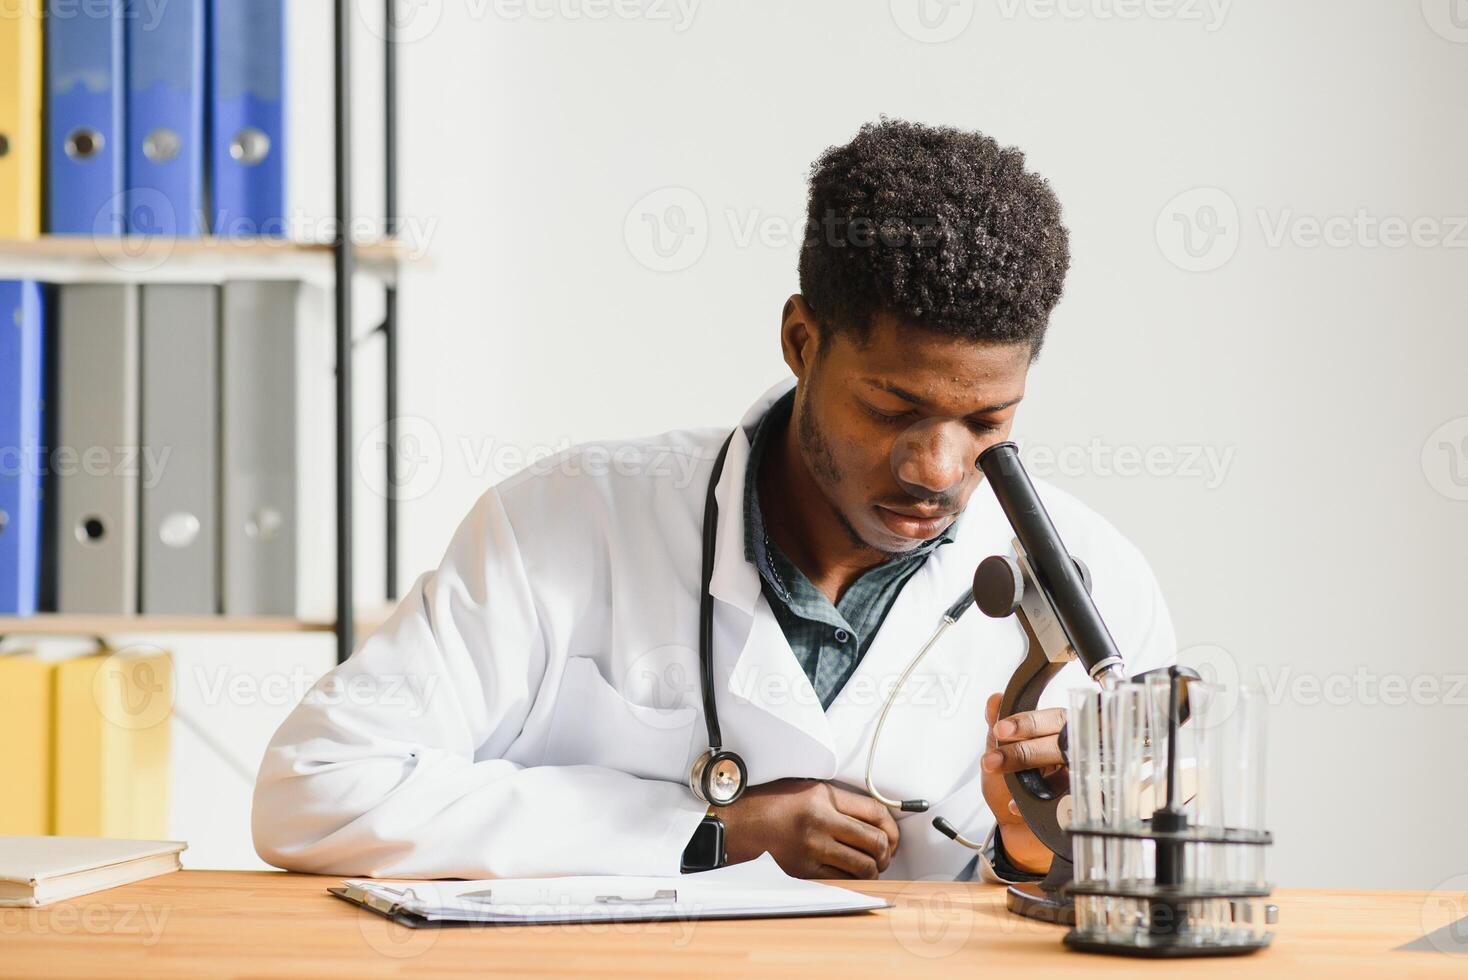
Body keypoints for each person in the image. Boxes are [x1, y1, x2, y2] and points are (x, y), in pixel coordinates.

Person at [252, 119, 1174, 882]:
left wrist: (1034, 846)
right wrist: (703, 832)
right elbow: (316, 790)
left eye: (986, 421)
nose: (937, 468)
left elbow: (1146, 879)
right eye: (894, 408)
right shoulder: (568, 522)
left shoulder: (1097, 587)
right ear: (802, 340)